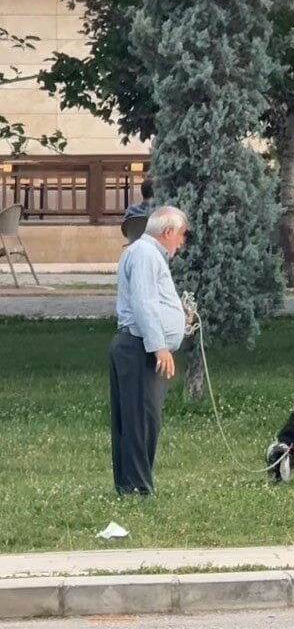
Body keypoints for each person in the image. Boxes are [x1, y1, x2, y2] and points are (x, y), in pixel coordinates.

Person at [109, 205, 189, 495]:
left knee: (137, 418)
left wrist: (180, 320)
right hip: (140, 347)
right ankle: (138, 488)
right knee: (142, 419)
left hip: (137, 345)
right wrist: (159, 347)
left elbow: (153, 302)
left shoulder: (147, 254)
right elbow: (144, 303)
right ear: (167, 232)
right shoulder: (145, 254)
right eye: (182, 235)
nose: (182, 243)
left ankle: (129, 485)